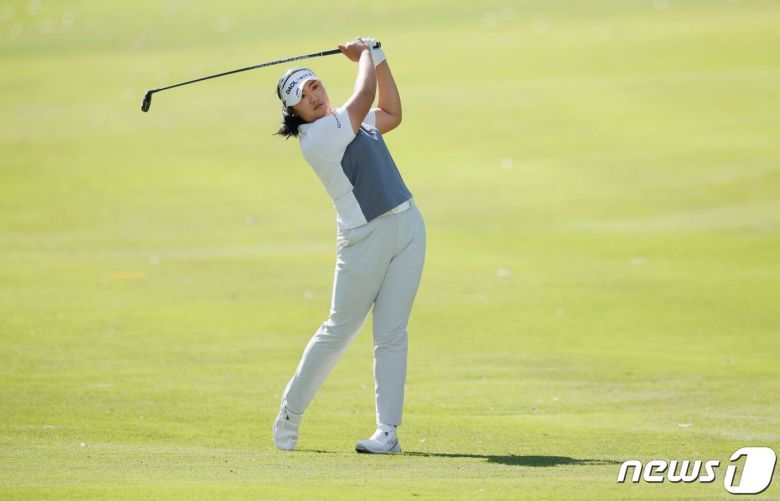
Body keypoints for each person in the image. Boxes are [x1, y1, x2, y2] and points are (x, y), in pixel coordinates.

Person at [271, 37, 426, 454]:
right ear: (295, 113)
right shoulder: (319, 137)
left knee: (391, 334)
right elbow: (365, 94)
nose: (314, 97)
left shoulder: (346, 121)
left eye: (315, 86)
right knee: (339, 330)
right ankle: (290, 412)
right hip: (364, 239)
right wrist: (364, 56)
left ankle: (387, 433)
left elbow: (391, 113)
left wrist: (379, 57)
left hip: (408, 227)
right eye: (303, 97)